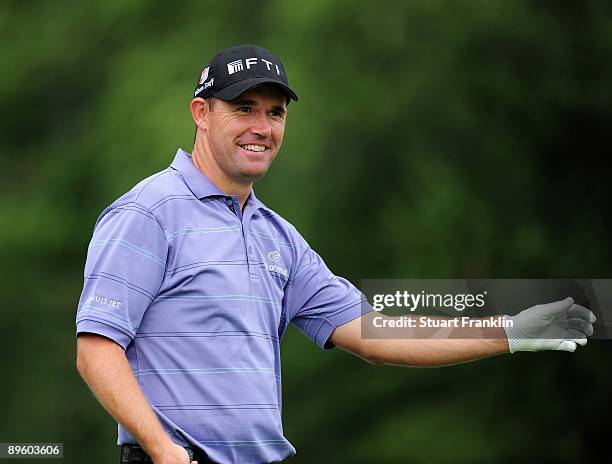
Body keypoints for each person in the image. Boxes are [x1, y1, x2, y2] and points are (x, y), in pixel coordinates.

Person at [75, 44, 596, 464]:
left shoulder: (277, 237)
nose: (263, 126)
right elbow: (97, 348)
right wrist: (163, 451)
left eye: (275, 113)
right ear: (201, 114)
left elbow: (375, 332)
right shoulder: (149, 212)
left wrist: (510, 330)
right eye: (243, 109)